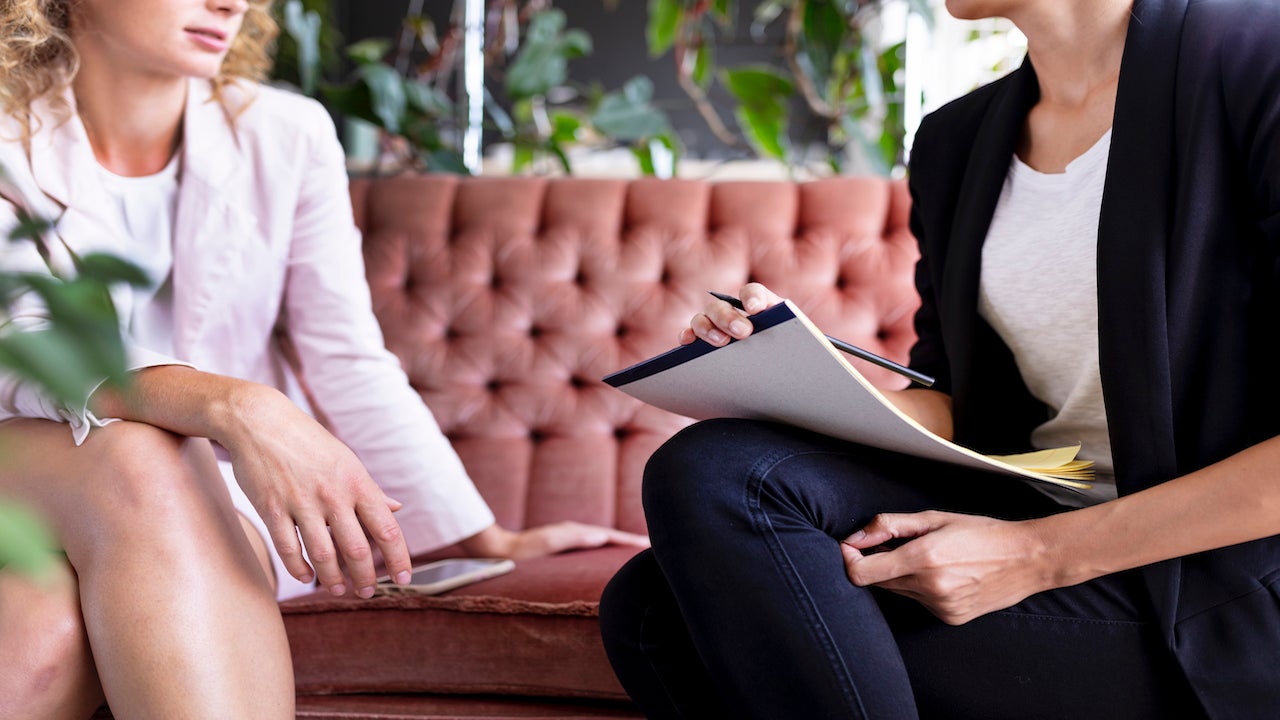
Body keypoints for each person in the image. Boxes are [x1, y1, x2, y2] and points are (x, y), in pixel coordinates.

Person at [599, 0, 1280, 717]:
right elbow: (960, 398)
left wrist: (1034, 556)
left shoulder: (1254, 60)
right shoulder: (957, 139)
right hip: (1044, 499)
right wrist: (795, 375)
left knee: (671, 598)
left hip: (1221, 580)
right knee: (659, 585)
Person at [0, 0, 648, 718]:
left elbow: (347, 357)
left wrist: (482, 536)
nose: (231, 3)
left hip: (201, 496)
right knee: (145, 457)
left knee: (49, 627)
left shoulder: (286, 133)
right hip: (21, 465)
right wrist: (237, 406)